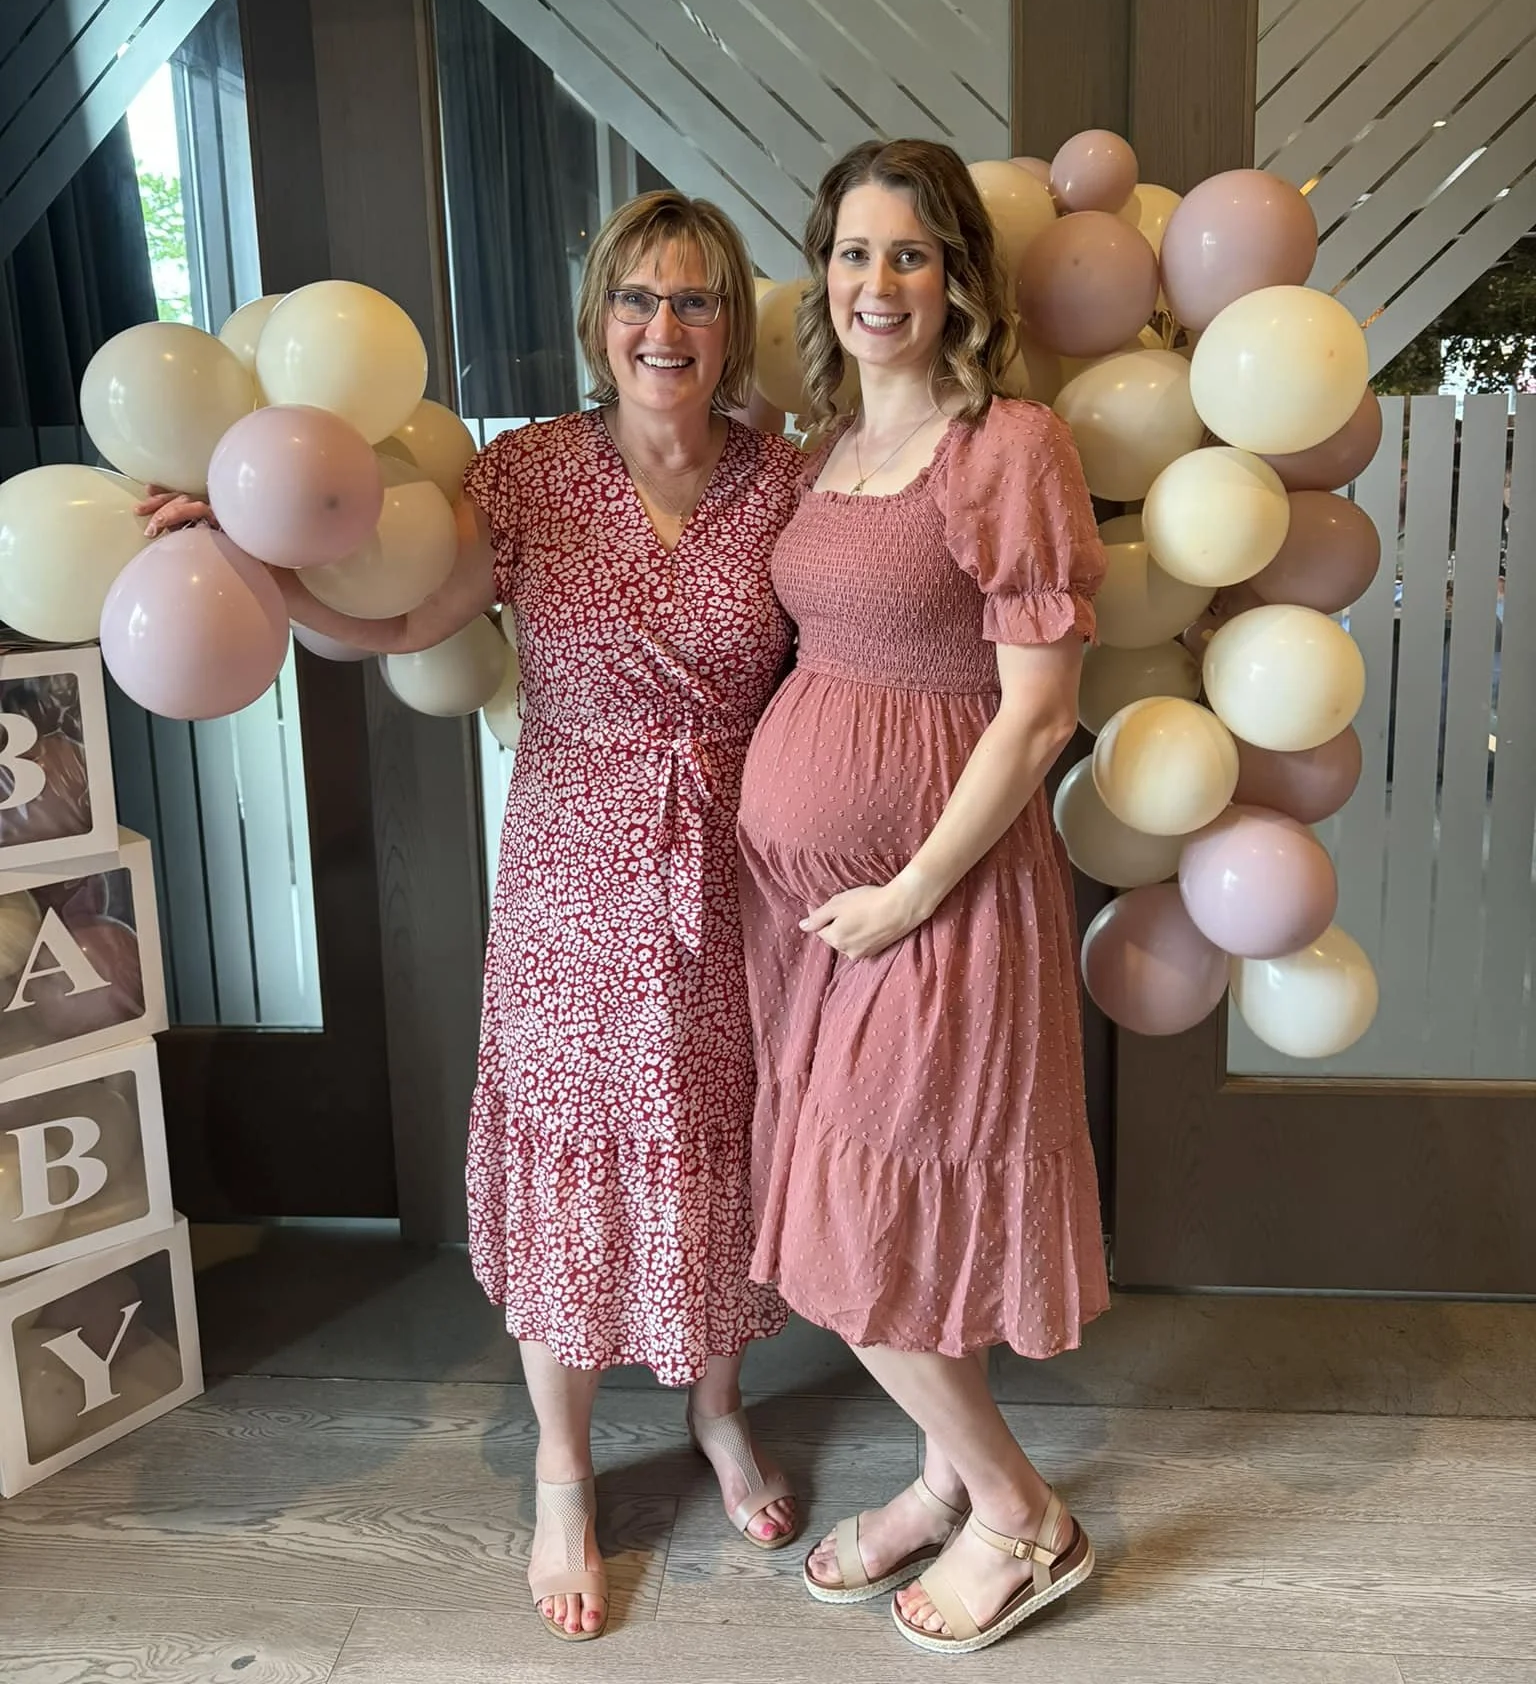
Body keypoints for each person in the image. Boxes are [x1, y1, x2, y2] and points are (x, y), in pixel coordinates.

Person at [142, 193, 803, 1642]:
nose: (663, 328)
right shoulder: (528, 475)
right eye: (636, 299)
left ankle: (718, 1409)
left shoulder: (786, 485)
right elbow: (401, 620)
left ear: (731, 327)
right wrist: (250, 552)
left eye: (694, 302)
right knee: (573, 1144)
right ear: (598, 322)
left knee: (720, 1141)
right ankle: (566, 1474)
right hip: (572, 868)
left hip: (735, 875)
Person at [736, 139, 1108, 1656]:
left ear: (958, 276)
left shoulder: (1005, 446)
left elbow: (1035, 714)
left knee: (862, 1233)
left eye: (910, 254)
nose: (876, 283)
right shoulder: (822, 445)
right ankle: (946, 1482)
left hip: (940, 902)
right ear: (820, 273)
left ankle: (1030, 1519)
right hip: (815, 917)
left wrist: (904, 895)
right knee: (897, 1224)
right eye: (851, 253)